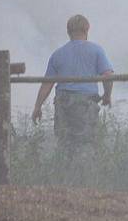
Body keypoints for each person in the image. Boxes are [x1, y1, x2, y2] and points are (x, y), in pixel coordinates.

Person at [32, 14, 114, 155]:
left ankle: (65, 174)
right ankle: (85, 175)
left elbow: (47, 84)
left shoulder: (57, 54)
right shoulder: (96, 50)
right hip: (85, 103)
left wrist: (37, 107)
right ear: (86, 30)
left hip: (63, 103)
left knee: (64, 145)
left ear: (68, 32)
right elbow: (108, 76)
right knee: (86, 144)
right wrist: (107, 95)